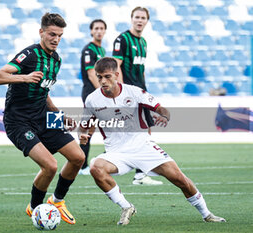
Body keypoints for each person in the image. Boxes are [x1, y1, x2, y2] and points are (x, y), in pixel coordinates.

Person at [78, 57, 226, 225]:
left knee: (179, 179)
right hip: (116, 153)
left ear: (117, 74)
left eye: (107, 76)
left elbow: (161, 108)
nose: (103, 81)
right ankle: (126, 207)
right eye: (99, 77)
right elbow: (84, 126)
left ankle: (207, 214)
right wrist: (82, 136)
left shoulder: (134, 92)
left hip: (143, 147)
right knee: (96, 167)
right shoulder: (92, 99)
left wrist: (164, 115)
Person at [0, 13, 85, 225]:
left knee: (78, 157)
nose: (56, 39)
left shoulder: (56, 60)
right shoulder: (30, 55)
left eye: (60, 35)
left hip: (43, 116)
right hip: (19, 121)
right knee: (50, 166)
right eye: (52, 34)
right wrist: (24, 77)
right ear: (41, 32)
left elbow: (44, 92)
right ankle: (35, 208)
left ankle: (57, 201)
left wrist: (60, 115)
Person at [112, 6, 162, 185]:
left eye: (143, 18)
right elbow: (116, 66)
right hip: (129, 93)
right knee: (133, 131)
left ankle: (139, 173)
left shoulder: (143, 42)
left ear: (147, 21)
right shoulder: (123, 39)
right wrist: (123, 90)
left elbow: (142, 69)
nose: (140, 20)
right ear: (131, 18)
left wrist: (145, 92)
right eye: (137, 17)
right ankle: (116, 164)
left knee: (145, 129)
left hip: (140, 92)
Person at [79, 19, 107, 175]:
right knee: (88, 128)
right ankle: (81, 166)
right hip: (91, 94)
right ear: (91, 31)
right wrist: (103, 92)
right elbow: (91, 74)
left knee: (91, 129)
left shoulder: (101, 50)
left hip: (96, 94)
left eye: (102, 28)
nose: (99, 31)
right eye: (96, 28)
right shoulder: (89, 49)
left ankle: (83, 164)